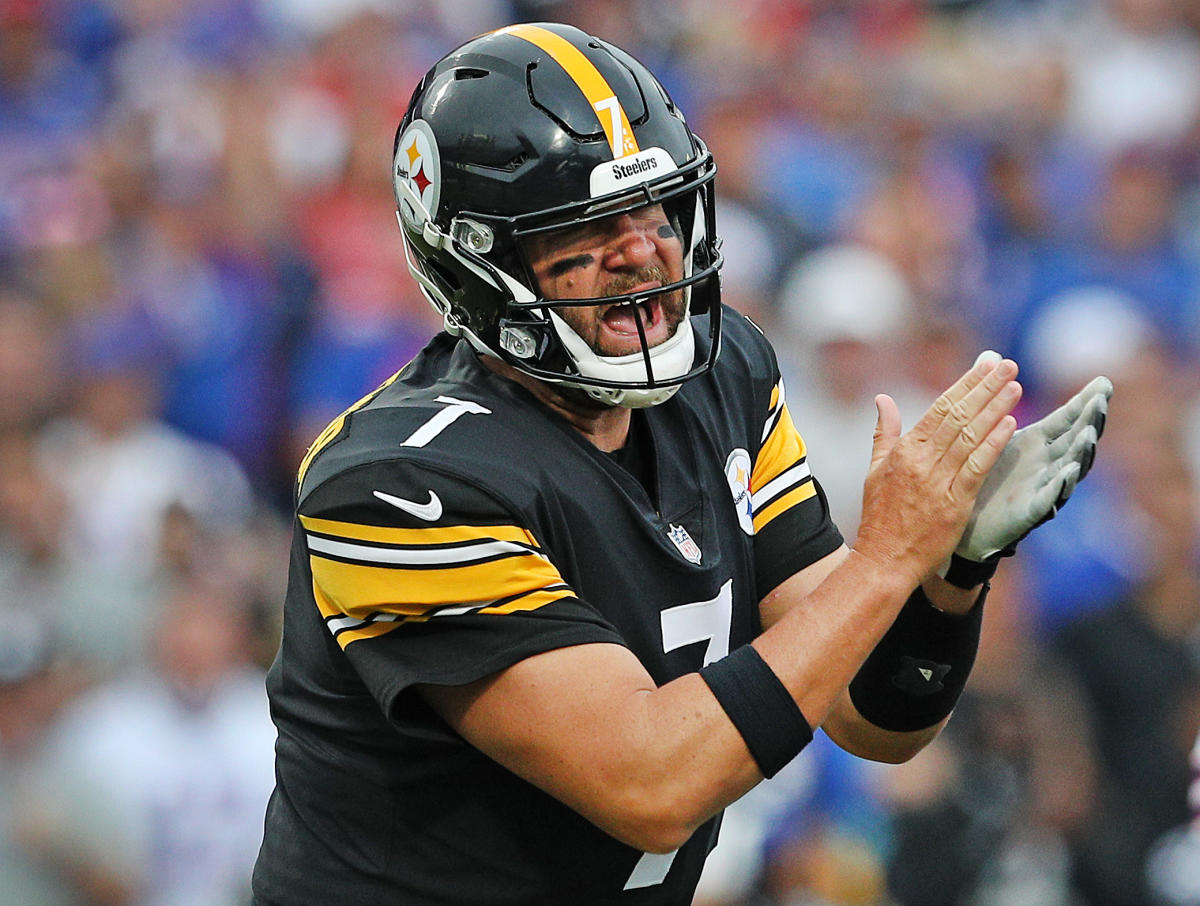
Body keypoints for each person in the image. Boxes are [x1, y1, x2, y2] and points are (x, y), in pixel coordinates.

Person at [251, 22, 1111, 906]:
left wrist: (949, 572)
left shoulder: (722, 373)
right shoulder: (395, 482)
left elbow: (872, 714)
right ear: (480, 261)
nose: (642, 249)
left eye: (654, 208)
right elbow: (652, 784)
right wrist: (889, 558)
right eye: (585, 227)